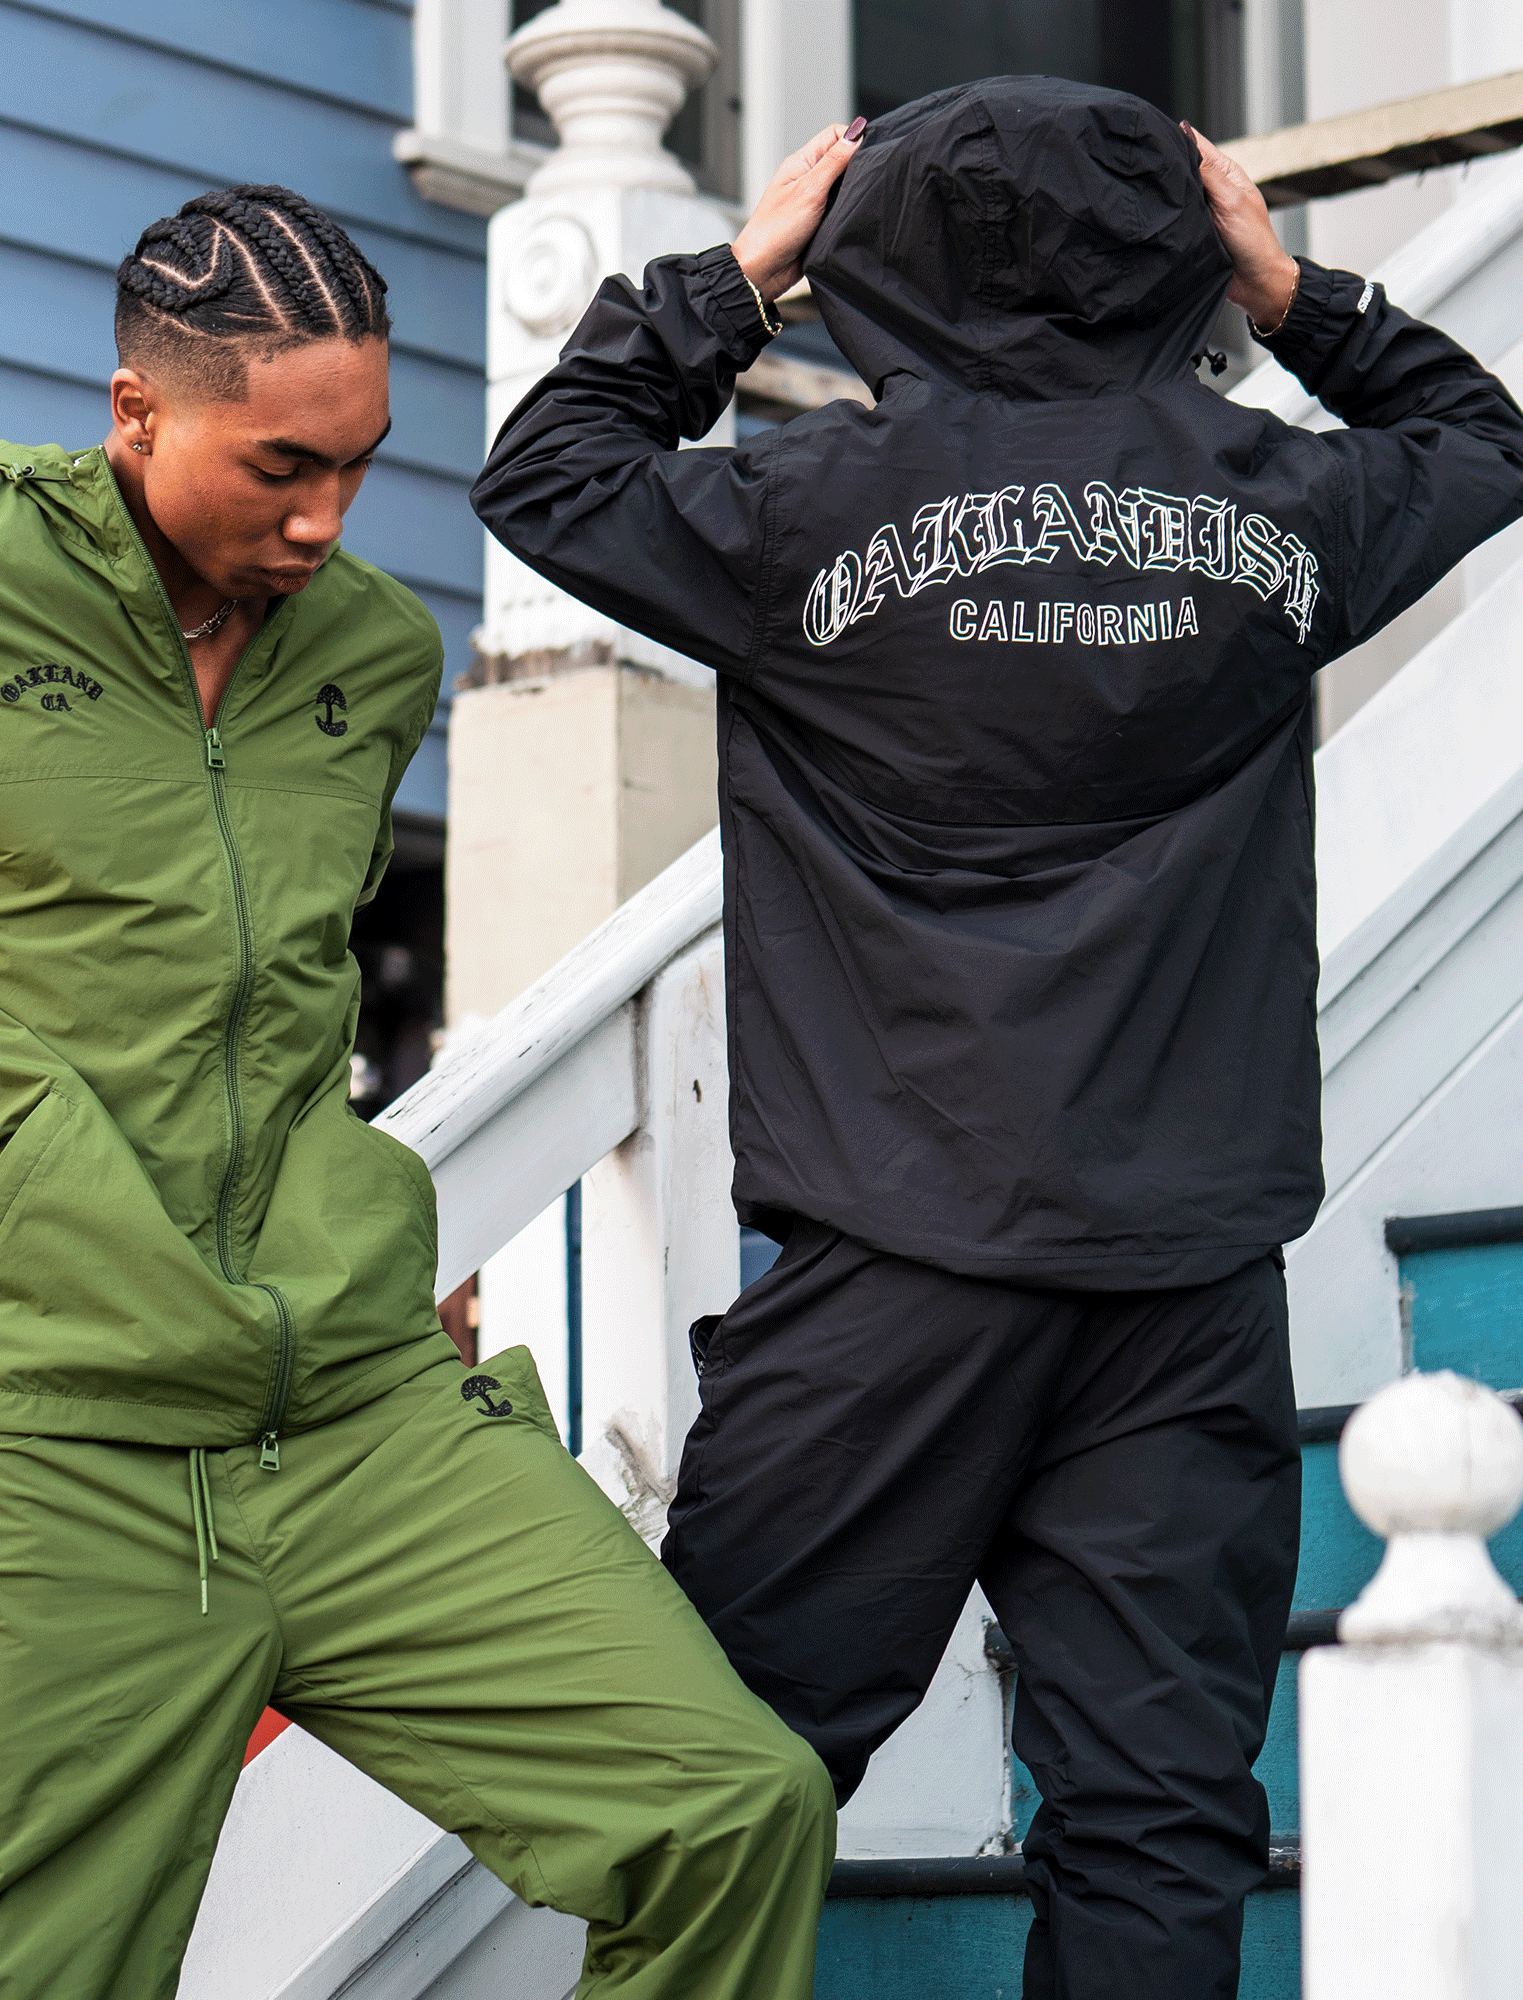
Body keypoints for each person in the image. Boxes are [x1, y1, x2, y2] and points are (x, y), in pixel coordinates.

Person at [0, 184, 834, 1999]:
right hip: (59, 1446)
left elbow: (269, 1006)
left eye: (361, 468)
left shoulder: (370, 660)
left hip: (363, 1409)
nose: (324, 520)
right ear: (136, 413)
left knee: (729, 1810)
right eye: (280, 465)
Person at [472, 77, 1523, 2000]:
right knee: (1157, 1813)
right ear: (1181, 250)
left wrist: (730, 276)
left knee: (728, 1773)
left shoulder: (803, 516)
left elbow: (546, 476)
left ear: (871, 254)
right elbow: (1478, 434)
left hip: (891, 1267)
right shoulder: (1274, 507)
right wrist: (1293, 298)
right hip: (1184, 1271)